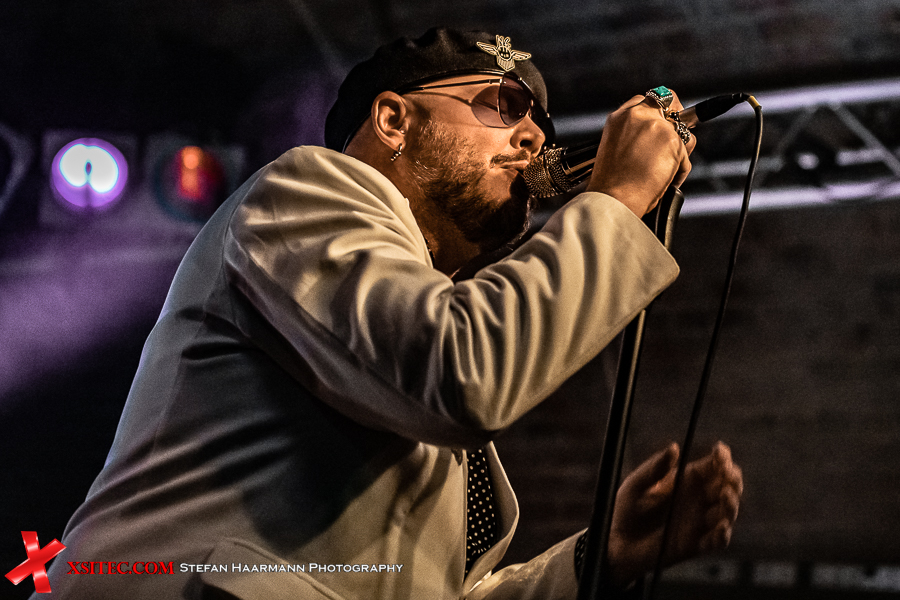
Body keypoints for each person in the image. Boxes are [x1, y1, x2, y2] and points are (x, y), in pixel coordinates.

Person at [38, 27, 742, 599]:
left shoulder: (408, 329)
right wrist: (614, 201)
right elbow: (464, 371)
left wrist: (598, 560)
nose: (534, 137)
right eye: (504, 103)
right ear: (394, 119)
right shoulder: (304, 188)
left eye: (541, 123)